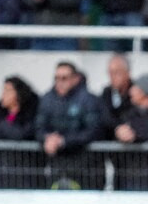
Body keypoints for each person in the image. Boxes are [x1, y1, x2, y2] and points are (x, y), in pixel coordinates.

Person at [35, 61, 104, 189]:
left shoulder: (88, 100)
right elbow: (39, 127)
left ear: (75, 79)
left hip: (84, 167)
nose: (60, 82)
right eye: (56, 78)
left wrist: (64, 141)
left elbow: (93, 130)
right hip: (57, 166)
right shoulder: (47, 100)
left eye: (64, 78)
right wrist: (48, 138)